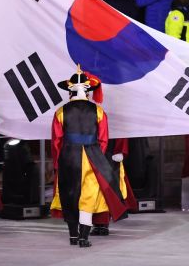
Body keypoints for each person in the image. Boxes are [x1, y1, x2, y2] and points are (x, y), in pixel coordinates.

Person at [50, 67, 129, 247]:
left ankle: (72, 236)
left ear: (70, 90)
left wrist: (58, 161)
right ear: (87, 90)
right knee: (88, 196)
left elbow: (56, 141)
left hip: (68, 155)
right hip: (92, 155)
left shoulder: (60, 112)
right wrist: (95, 153)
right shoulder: (99, 111)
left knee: (70, 194)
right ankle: (84, 238)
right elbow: (103, 139)